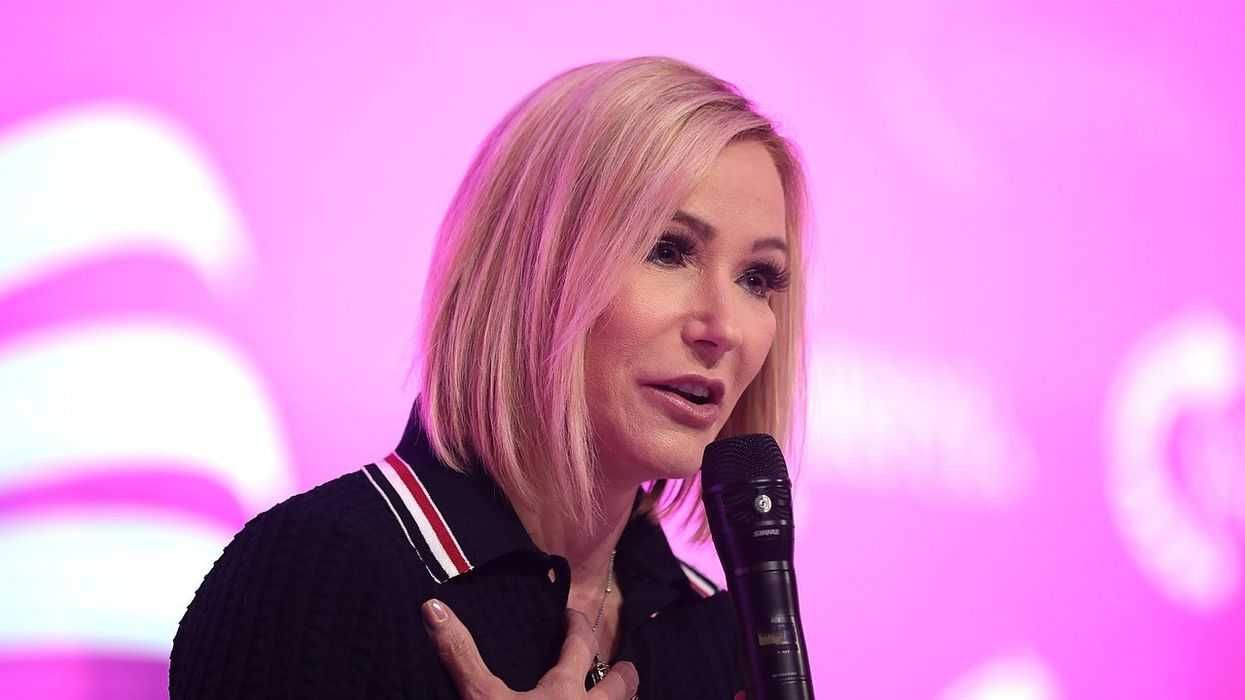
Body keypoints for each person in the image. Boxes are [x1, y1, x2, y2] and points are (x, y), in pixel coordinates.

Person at [169, 55, 808, 699]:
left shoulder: (718, 639)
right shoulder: (317, 573)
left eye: (757, 279)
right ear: (532, 266)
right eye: (668, 250)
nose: (724, 327)